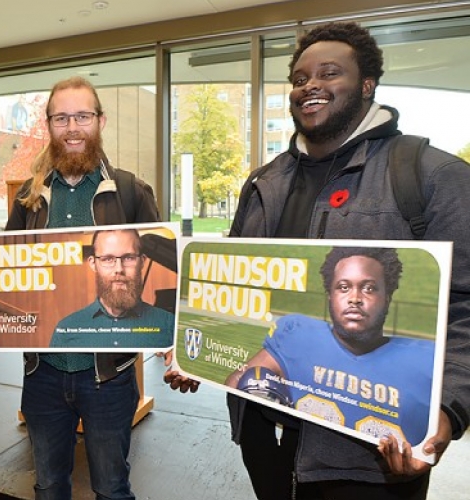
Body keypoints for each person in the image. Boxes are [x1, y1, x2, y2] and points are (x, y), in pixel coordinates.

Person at [163, 21, 470, 500]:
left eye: (330, 73)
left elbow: (464, 314)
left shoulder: (433, 177)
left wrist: (446, 414)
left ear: (367, 85)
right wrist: (194, 352)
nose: (311, 86)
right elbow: (235, 292)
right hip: (265, 435)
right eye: (300, 78)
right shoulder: (264, 182)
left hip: (366, 458)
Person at [5, 76, 161, 500]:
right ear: (49, 124)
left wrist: (172, 342)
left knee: (112, 489)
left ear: (101, 121)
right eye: (61, 118)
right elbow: (6, 274)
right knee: (49, 487)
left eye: (82, 116)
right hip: (43, 374)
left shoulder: (130, 191)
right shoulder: (28, 199)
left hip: (108, 376)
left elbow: (161, 275)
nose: (72, 128)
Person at [225, 246, 434, 447]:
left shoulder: (425, 359)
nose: (355, 299)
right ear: (330, 296)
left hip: (382, 477)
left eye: (369, 288)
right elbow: (239, 378)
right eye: (343, 287)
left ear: (387, 299)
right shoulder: (297, 334)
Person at [50, 228, 175, 349]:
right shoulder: (65, 332)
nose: (119, 269)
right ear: (93, 264)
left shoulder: (170, 326)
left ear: (142, 262)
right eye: (108, 259)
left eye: (128, 258)